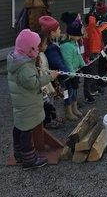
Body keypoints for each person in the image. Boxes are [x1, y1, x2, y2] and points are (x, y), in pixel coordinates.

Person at [7, 29, 59, 169]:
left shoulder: (17, 60)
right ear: (30, 49)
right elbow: (33, 83)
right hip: (28, 104)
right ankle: (29, 159)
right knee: (27, 132)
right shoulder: (25, 68)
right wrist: (50, 77)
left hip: (21, 103)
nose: (38, 49)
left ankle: (19, 153)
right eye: (36, 47)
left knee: (19, 127)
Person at [60, 13, 86, 120]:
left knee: (75, 91)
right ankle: (68, 111)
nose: (80, 37)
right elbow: (67, 61)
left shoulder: (74, 43)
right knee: (67, 93)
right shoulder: (66, 46)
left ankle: (75, 108)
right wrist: (71, 72)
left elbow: (78, 55)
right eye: (78, 35)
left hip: (75, 72)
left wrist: (82, 64)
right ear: (72, 35)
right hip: (68, 75)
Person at [37, 33, 63, 129]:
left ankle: (53, 118)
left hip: (47, 80)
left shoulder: (42, 54)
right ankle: (48, 121)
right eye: (44, 44)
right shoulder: (37, 58)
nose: (46, 45)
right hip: (43, 83)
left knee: (50, 102)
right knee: (46, 104)